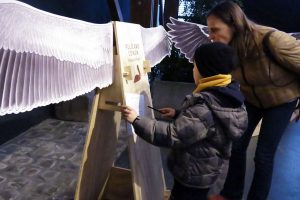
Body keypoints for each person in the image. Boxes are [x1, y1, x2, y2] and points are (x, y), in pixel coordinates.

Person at [121, 42, 248, 200]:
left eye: (195, 66)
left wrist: (136, 120)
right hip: (206, 171)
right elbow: (208, 125)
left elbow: (173, 135)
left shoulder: (204, 107)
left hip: (192, 175)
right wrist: (178, 114)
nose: (193, 70)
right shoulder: (228, 96)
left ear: (206, 71)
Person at [205, 1, 300, 200]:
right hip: (252, 99)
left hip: (282, 99)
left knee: (263, 155)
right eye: (209, 31)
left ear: (233, 24)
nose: (210, 36)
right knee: (237, 145)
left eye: (214, 30)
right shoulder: (227, 48)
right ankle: (230, 195)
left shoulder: (271, 39)